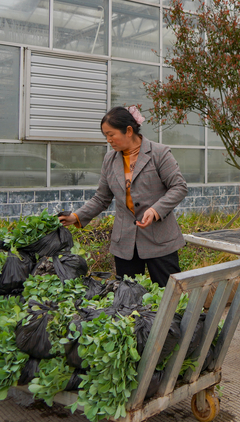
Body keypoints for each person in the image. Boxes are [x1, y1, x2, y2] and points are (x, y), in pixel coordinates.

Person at [59, 106, 188, 287]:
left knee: (169, 295)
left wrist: (155, 210)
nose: (108, 140)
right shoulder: (110, 160)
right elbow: (101, 198)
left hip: (159, 240)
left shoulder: (159, 153)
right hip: (125, 242)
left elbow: (179, 187)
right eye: (105, 136)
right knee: (127, 300)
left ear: (128, 131)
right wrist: (76, 216)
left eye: (111, 134)